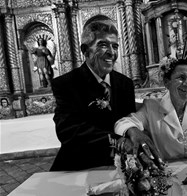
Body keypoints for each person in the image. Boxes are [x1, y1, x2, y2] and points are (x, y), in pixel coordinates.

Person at [115, 58, 187, 195]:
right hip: (165, 178)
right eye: (181, 77)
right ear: (167, 82)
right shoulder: (151, 107)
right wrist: (133, 131)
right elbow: (122, 123)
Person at [50, 15, 138, 171]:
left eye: (115, 46)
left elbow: (130, 120)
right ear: (85, 50)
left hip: (122, 166)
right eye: (103, 45)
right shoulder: (66, 84)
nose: (111, 52)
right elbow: (68, 131)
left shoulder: (125, 84)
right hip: (79, 165)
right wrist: (119, 141)